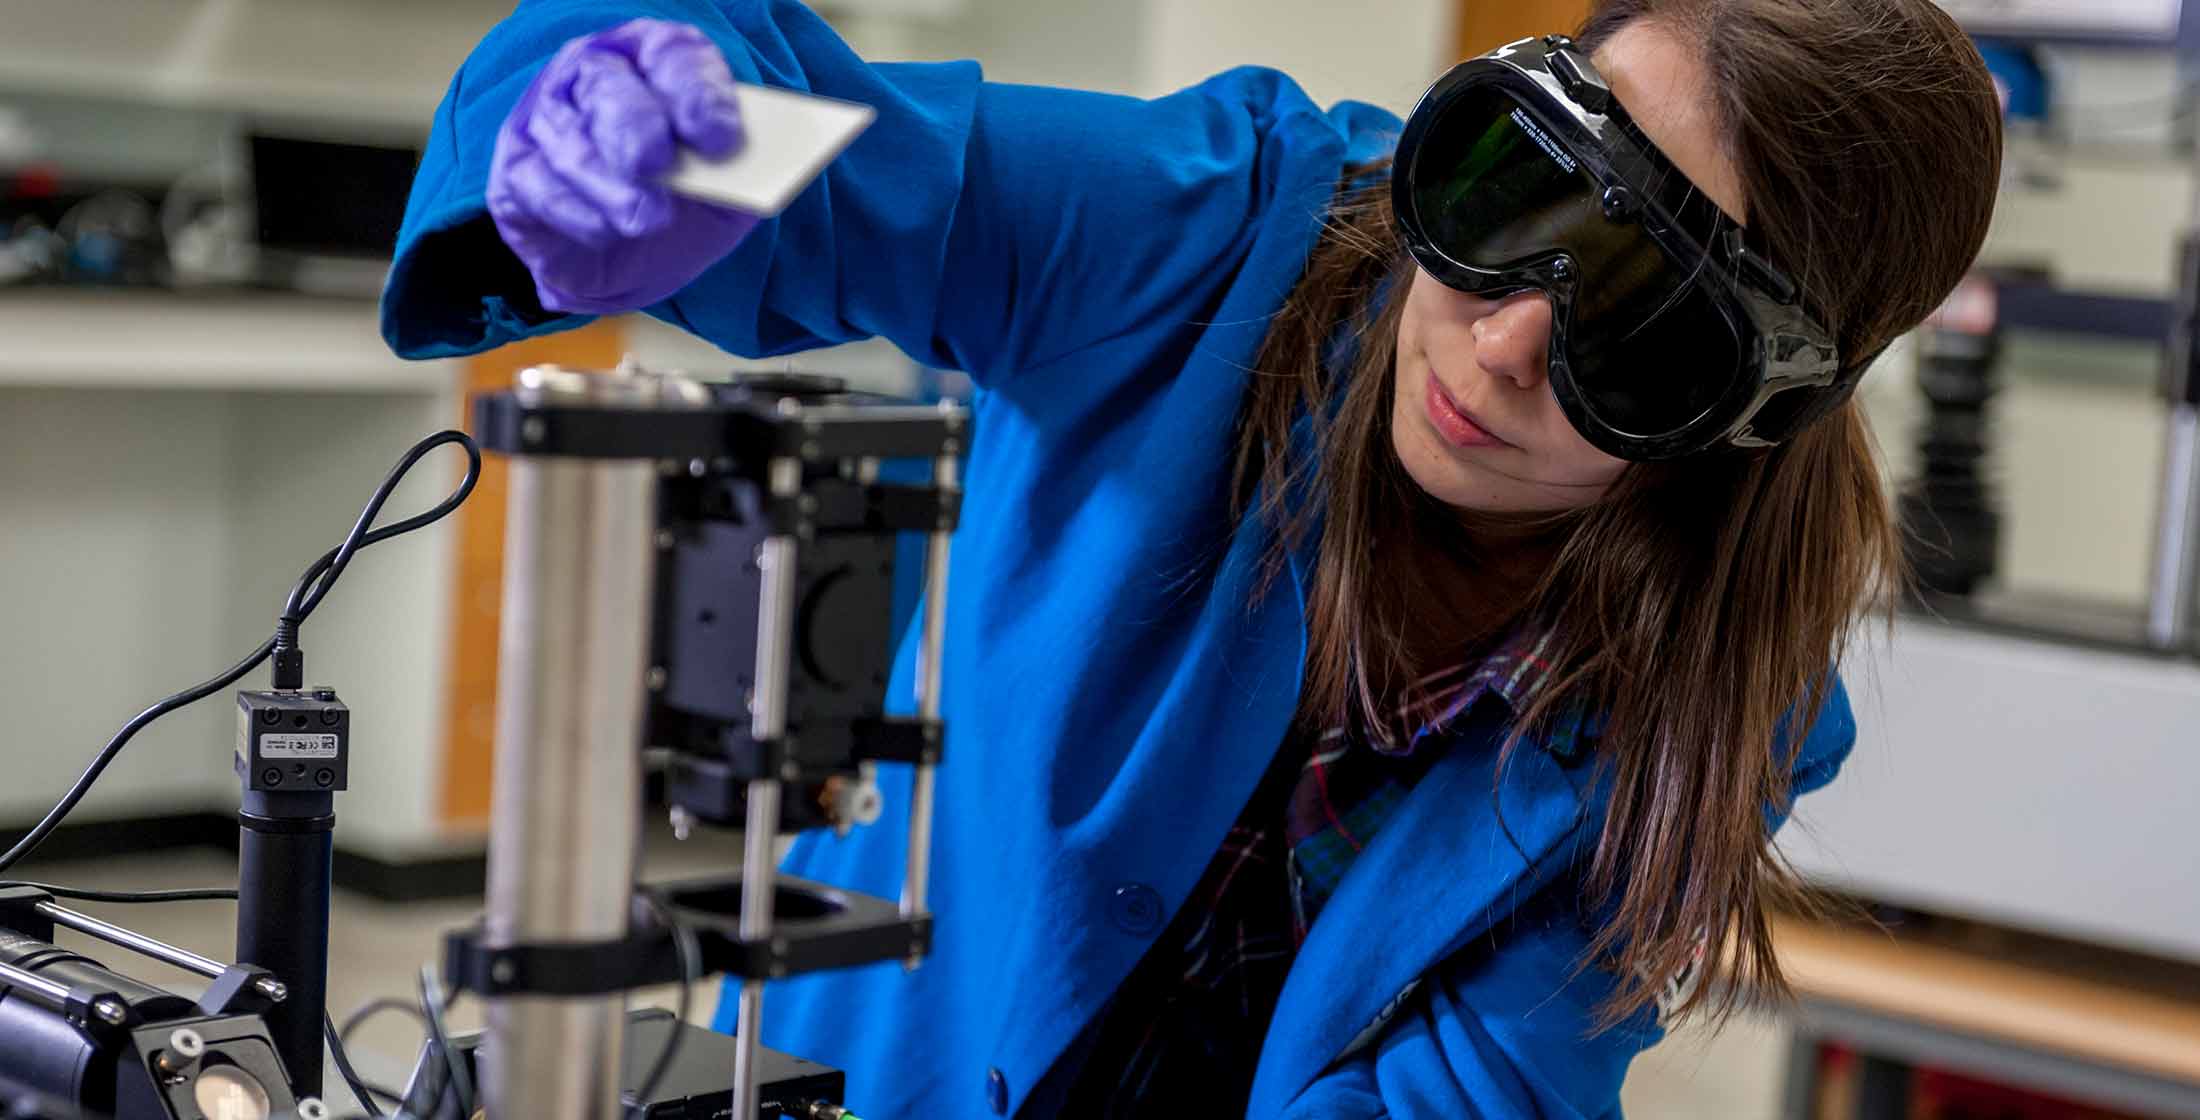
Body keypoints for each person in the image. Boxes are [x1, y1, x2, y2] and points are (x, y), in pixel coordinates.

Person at [381, 0, 2002, 1114]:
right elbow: (831, 153)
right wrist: (624, 115)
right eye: (1511, 202)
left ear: (1752, 415)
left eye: (1643, 338)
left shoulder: (1727, 698)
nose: (1504, 345)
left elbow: (1479, 1089)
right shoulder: (1213, 235)